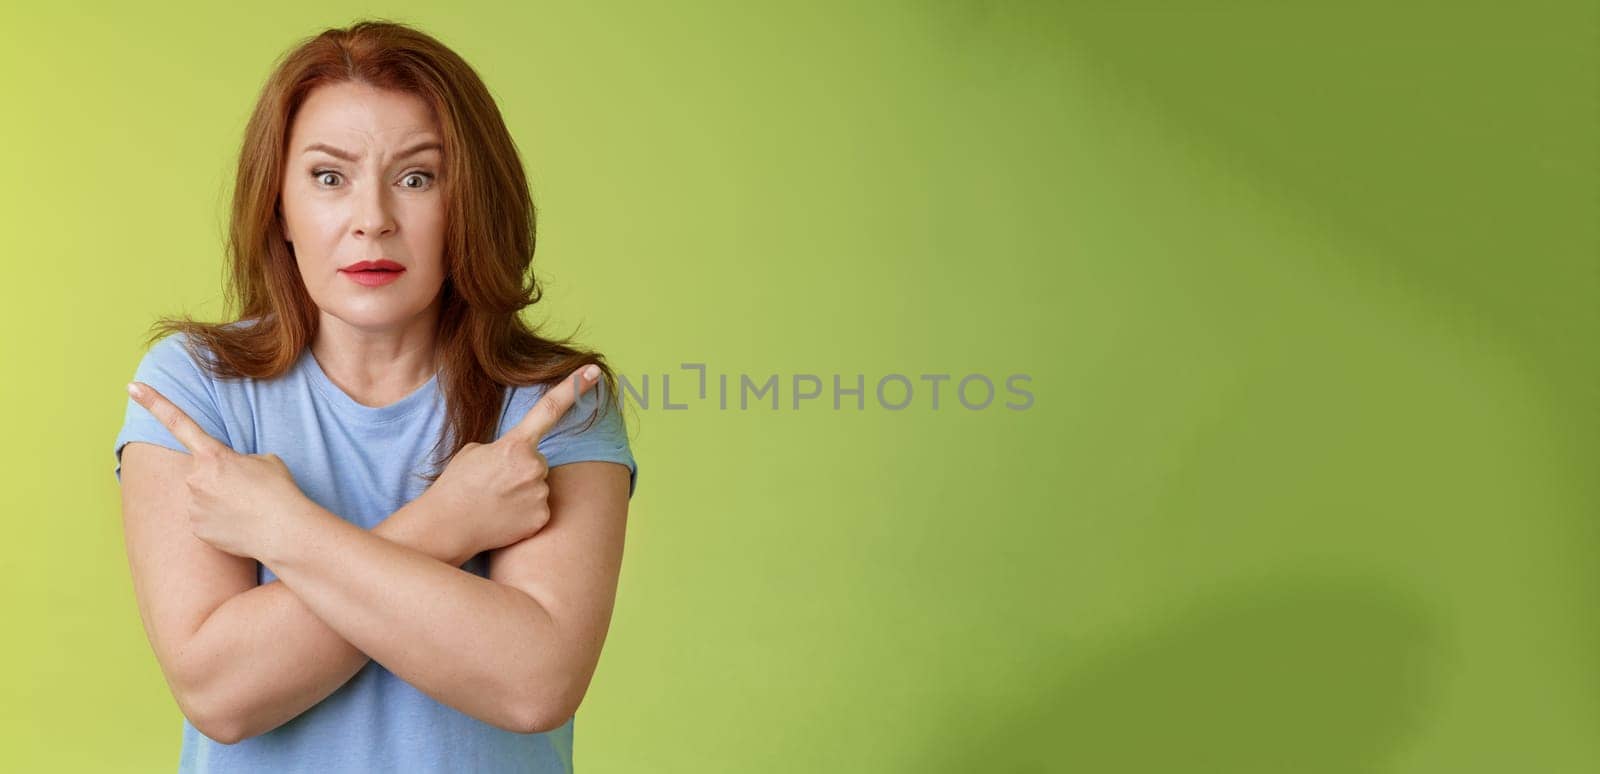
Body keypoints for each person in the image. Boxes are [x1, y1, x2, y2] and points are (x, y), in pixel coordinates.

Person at [111, 20, 637, 774]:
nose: (372, 220)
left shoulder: (555, 404)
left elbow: (534, 685)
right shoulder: (196, 385)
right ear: (279, 207)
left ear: (470, 204)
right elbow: (222, 694)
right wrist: (449, 522)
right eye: (330, 177)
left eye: (416, 177)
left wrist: (280, 528)